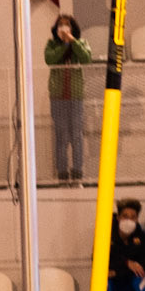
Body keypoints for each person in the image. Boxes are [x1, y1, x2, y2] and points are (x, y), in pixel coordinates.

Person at [44, 13, 92, 182]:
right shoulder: (52, 44)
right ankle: (62, 174)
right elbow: (50, 59)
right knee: (61, 135)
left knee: (76, 135)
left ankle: (78, 172)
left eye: (67, 25)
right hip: (58, 97)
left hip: (75, 96)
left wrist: (72, 42)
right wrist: (64, 45)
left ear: (72, 28)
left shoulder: (81, 43)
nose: (63, 28)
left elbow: (86, 59)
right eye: (60, 25)